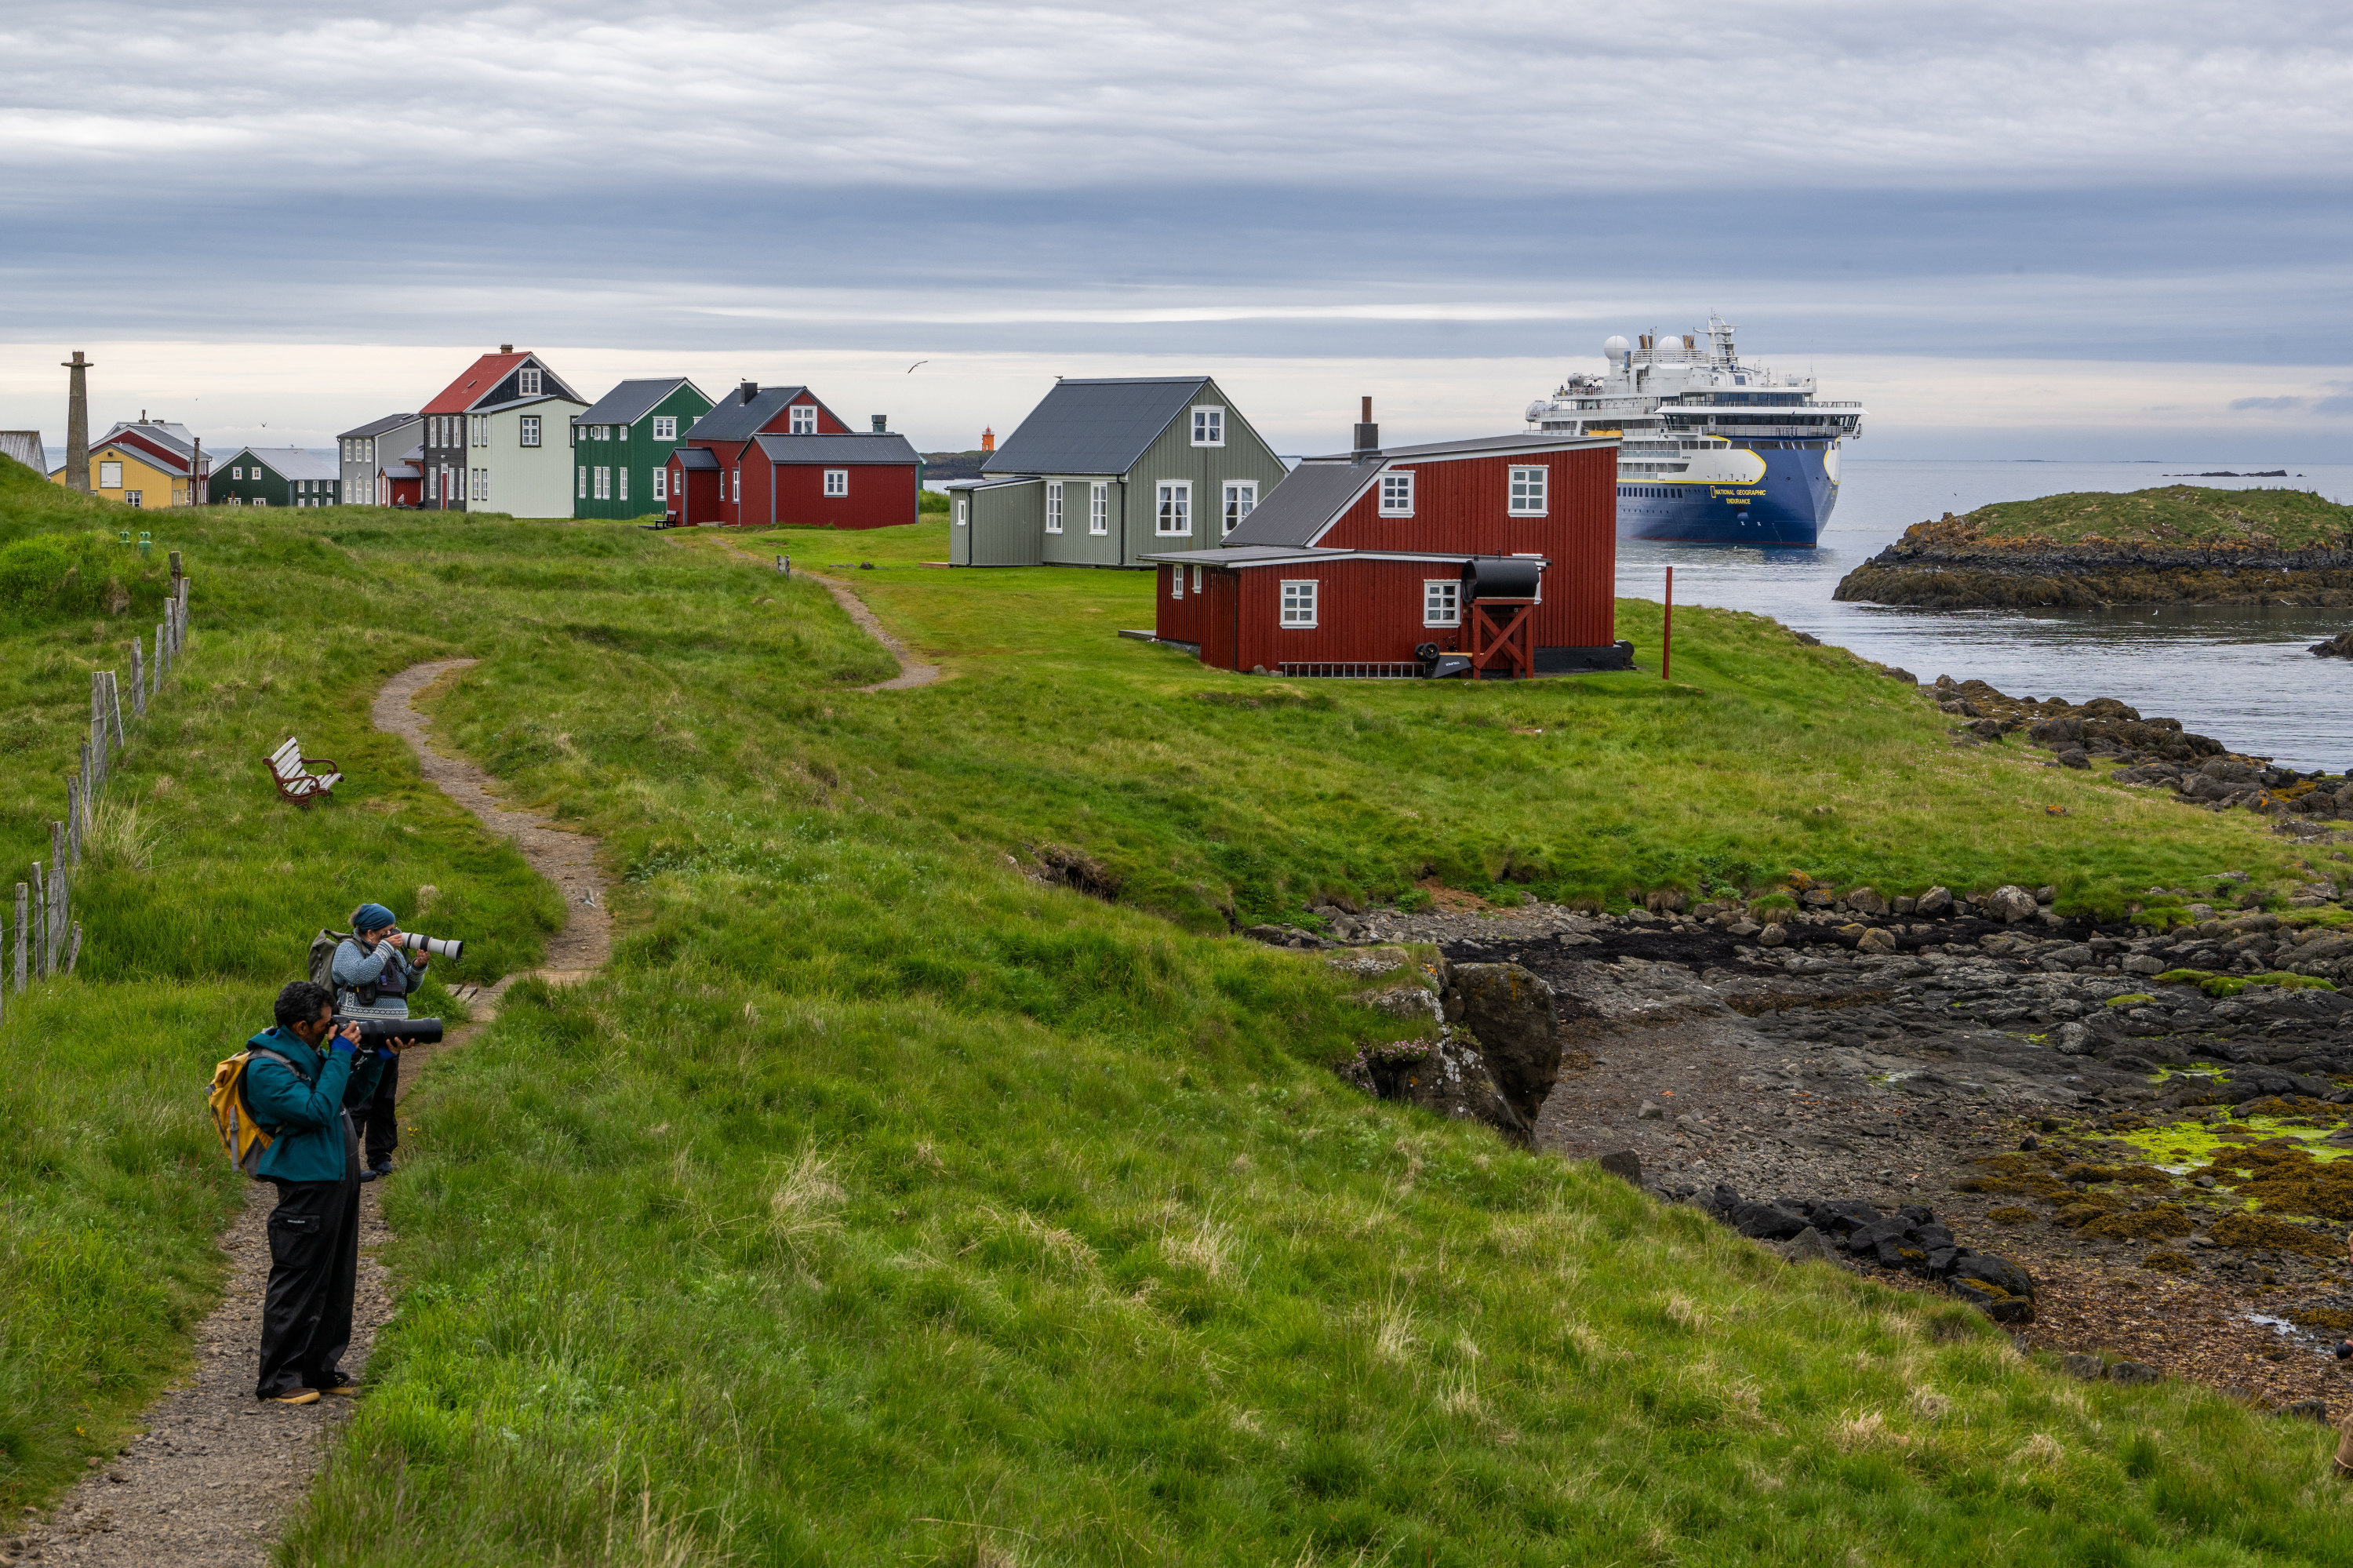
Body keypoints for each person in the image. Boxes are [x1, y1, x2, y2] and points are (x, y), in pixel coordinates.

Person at [244, 979, 404, 1405]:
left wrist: (381, 1057)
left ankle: (319, 1367)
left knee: (336, 1278)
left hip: (337, 1176)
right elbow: (316, 1112)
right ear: (301, 1025)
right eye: (327, 1022)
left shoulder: (309, 1054)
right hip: (307, 1182)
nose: (335, 1028)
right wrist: (342, 1055)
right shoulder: (266, 1069)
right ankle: (278, 1379)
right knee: (298, 1278)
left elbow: (344, 1097)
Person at [331, 903, 428, 1181]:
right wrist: (386, 948)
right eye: (388, 930)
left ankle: (380, 1157)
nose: (395, 933)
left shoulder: (390, 951)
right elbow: (358, 975)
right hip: (357, 1034)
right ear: (371, 932)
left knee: (385, 1097)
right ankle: (346, 1161)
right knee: (358, 1098)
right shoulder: (348, 949)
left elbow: (406, 985)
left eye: (394, 928)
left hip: (391, 1033)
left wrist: (418, 966)